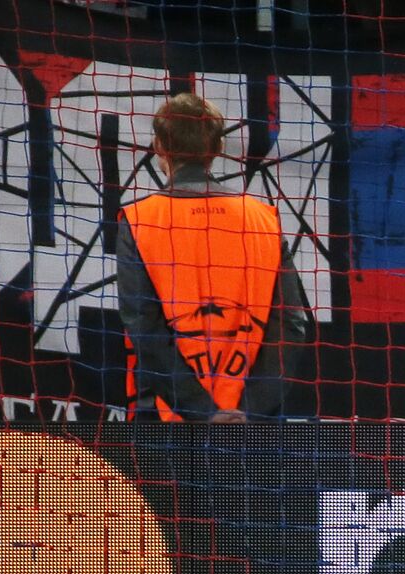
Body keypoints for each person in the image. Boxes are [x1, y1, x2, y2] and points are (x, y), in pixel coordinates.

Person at [117, 93, 309, 422]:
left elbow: (144, 330)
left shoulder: (139, 219)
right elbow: (291, 326)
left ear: (160, 146)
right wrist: (246, 411)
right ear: (218, 149)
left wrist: (204, 412)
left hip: (172, 421)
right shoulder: (262, 218)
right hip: (252, 424)